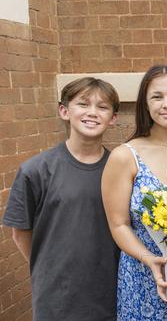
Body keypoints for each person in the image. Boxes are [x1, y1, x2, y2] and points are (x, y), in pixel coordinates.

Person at [3, 77, 120, 320]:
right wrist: (51, 266)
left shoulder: (121, 170)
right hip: (57, 298)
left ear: (113, 118)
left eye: (103, 107)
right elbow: (20, 232)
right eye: (83, 104)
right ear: (64, 111)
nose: (92, 113)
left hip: (111, 294)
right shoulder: (36, 170)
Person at [102, 65, 167, 321]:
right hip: (144, 274)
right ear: (145, 104)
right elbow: (118, 224)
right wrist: (149, 259)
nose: (166, 104)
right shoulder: (125, 156)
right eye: (157, 97)